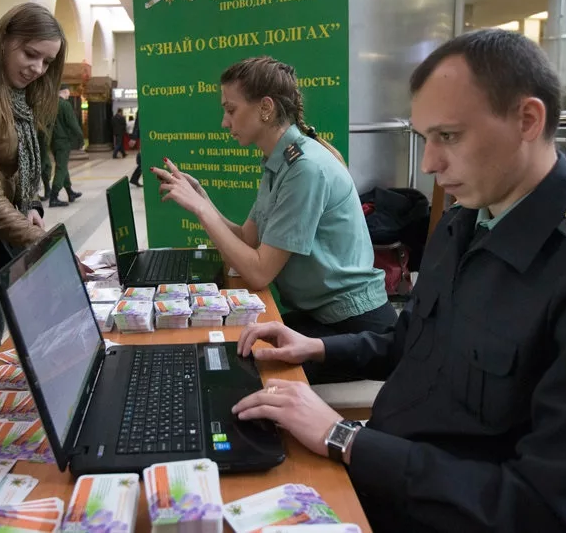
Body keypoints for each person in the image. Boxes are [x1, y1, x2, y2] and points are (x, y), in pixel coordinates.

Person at [231, 30, 566, 531]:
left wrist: (344, 437)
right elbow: (411, 342)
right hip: (384, 465)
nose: (428, 163)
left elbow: (548, 511)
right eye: (425, 138)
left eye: (448, 136)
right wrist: (314, 348)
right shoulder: (467, 220)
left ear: (527, 120)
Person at [152, 56, 395, 383]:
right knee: (230, 344)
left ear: (265, 108)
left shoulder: (304, 169)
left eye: (231, 109)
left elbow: (258, 273)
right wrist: (203, 198)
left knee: (238, 372)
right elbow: (248, 239)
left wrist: (201, 210)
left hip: (353, 329)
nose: (225, 122)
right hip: (322, 317)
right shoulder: (279, 162)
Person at [0, 3, 66, 252]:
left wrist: (29, 204)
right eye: (30, 54)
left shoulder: (15, 94)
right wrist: (47, 245)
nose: (38, 69)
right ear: (3, 40)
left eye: (47, 61)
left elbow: (16, 165)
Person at [48, 86, 84, 207]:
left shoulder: (50, 104)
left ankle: (70, 192)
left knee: (62, 166)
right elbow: (72, 123)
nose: (69, 94)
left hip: (53, 141)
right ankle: (54, 196)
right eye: (68, 91)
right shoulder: (65, 105)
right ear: (64, 91)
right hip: (63, 141)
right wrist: (80, 137)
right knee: (61, 168)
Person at [129, 113, 143, 187]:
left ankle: (134, 179)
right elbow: (137, 124)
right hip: (145, 136)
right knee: (143, 159)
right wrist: (134, 138)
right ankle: (134, 179)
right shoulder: (142, 106)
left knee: (143, 160)